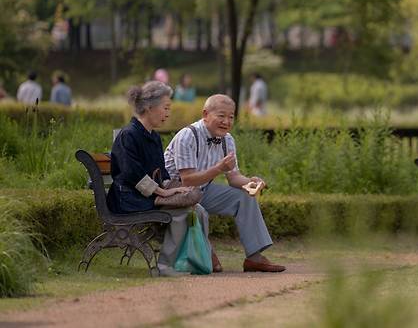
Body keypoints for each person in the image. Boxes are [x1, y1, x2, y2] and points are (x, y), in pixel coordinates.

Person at [164, 94, 285, 272]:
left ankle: (254, 258)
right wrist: (218, 169)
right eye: (221, 116)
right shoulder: (187, 136)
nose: (226, 122)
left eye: (231, 117)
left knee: (245, 198)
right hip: (175, 194)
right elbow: (187, 179)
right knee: (213, 267)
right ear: (205, 114)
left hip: (201, 191)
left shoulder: (227, 140)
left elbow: (233, 177)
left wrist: (250, 182)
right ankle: (205, 250)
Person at [107, 81, 212, 277]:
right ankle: (165, 266)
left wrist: (175, 188)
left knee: (198, 209)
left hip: (145, 196)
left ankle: (196, 262)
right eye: (166, 108)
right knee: (181, 213)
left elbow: (161, 172)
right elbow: (131, 173)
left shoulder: (153, 137)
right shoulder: (128, 135)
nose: (168, 113)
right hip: (128, 199)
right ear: (149, 107)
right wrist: (163, 192)